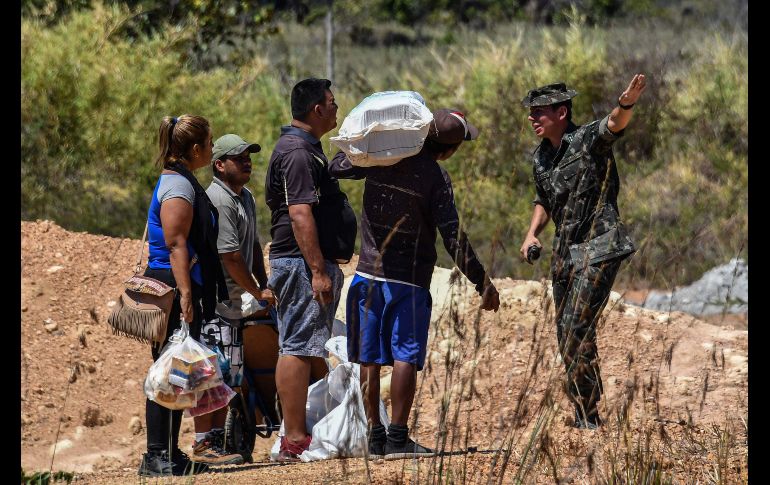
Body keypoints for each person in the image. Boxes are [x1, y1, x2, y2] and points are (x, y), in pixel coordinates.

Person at [329, 108, 501, 460]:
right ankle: (398, 438)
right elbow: (452, 236)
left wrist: (368, 139)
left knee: (369, 359)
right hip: (408, 283)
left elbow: (337, 166)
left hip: (366, 278)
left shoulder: (380, 160)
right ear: (449, 149)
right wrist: (482, 282)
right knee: (405, 355)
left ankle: (374, 435)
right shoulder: (436, 178)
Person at [518, 75, 647, 429]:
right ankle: (584, 410)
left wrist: (626, 103)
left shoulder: (587, 139)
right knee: (567, 333)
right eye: (530, 113)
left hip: (600, 245)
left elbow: (613, 125)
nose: (532, 119)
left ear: (561, 113)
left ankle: (588, 413)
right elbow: (543, 200)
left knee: (577, 325)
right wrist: (532, 233)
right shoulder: (541, 157)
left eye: (539, 113)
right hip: (565, 253)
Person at [265, 78, 354, 461]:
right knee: (298, 347)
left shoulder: (307, 150)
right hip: (301, 264)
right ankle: (294, 438)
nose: (336, 109)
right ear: (317, 108)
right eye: (332, 103)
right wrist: (317, 270)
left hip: (306, 263)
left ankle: (303, 430)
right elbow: (300, 214)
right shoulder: (298, 153)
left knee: (305, 344)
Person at [139, 114, 229, 477]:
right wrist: (187, 296)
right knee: (166, 368)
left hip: (178, 283)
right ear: (195, 149)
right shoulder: (178, 187)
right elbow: (176, 244)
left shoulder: (181, 180)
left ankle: (169, 454)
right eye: (209, 143)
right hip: (173, 286)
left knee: (176, 371)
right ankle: (156, 456)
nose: (211, 147)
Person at [191, 134, 276, 464]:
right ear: (219, 164)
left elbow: (252, 246)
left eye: (248, 156)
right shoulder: (218, 200)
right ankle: (206, 444)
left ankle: (223, 442)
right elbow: (229, 257)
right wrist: (257, 291)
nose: (247, 162)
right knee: (215, 375)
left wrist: (264, 283)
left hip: (237, 303)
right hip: (217, 303)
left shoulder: (246, 198)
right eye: (239, 157)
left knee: (232, 377)